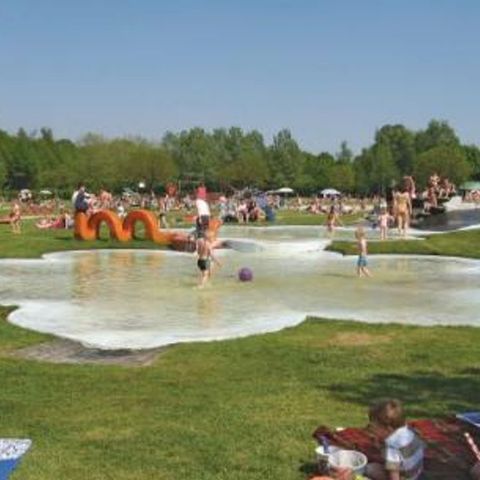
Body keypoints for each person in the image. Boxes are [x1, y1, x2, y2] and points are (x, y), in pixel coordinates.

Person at [365, 399, 424, 480]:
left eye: (374, 426)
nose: (371, 429)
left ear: (388, 428)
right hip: (417, 472)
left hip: (404, 477)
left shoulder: (392, 445)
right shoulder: (409, 431)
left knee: (370, 468)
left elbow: (394, 471)